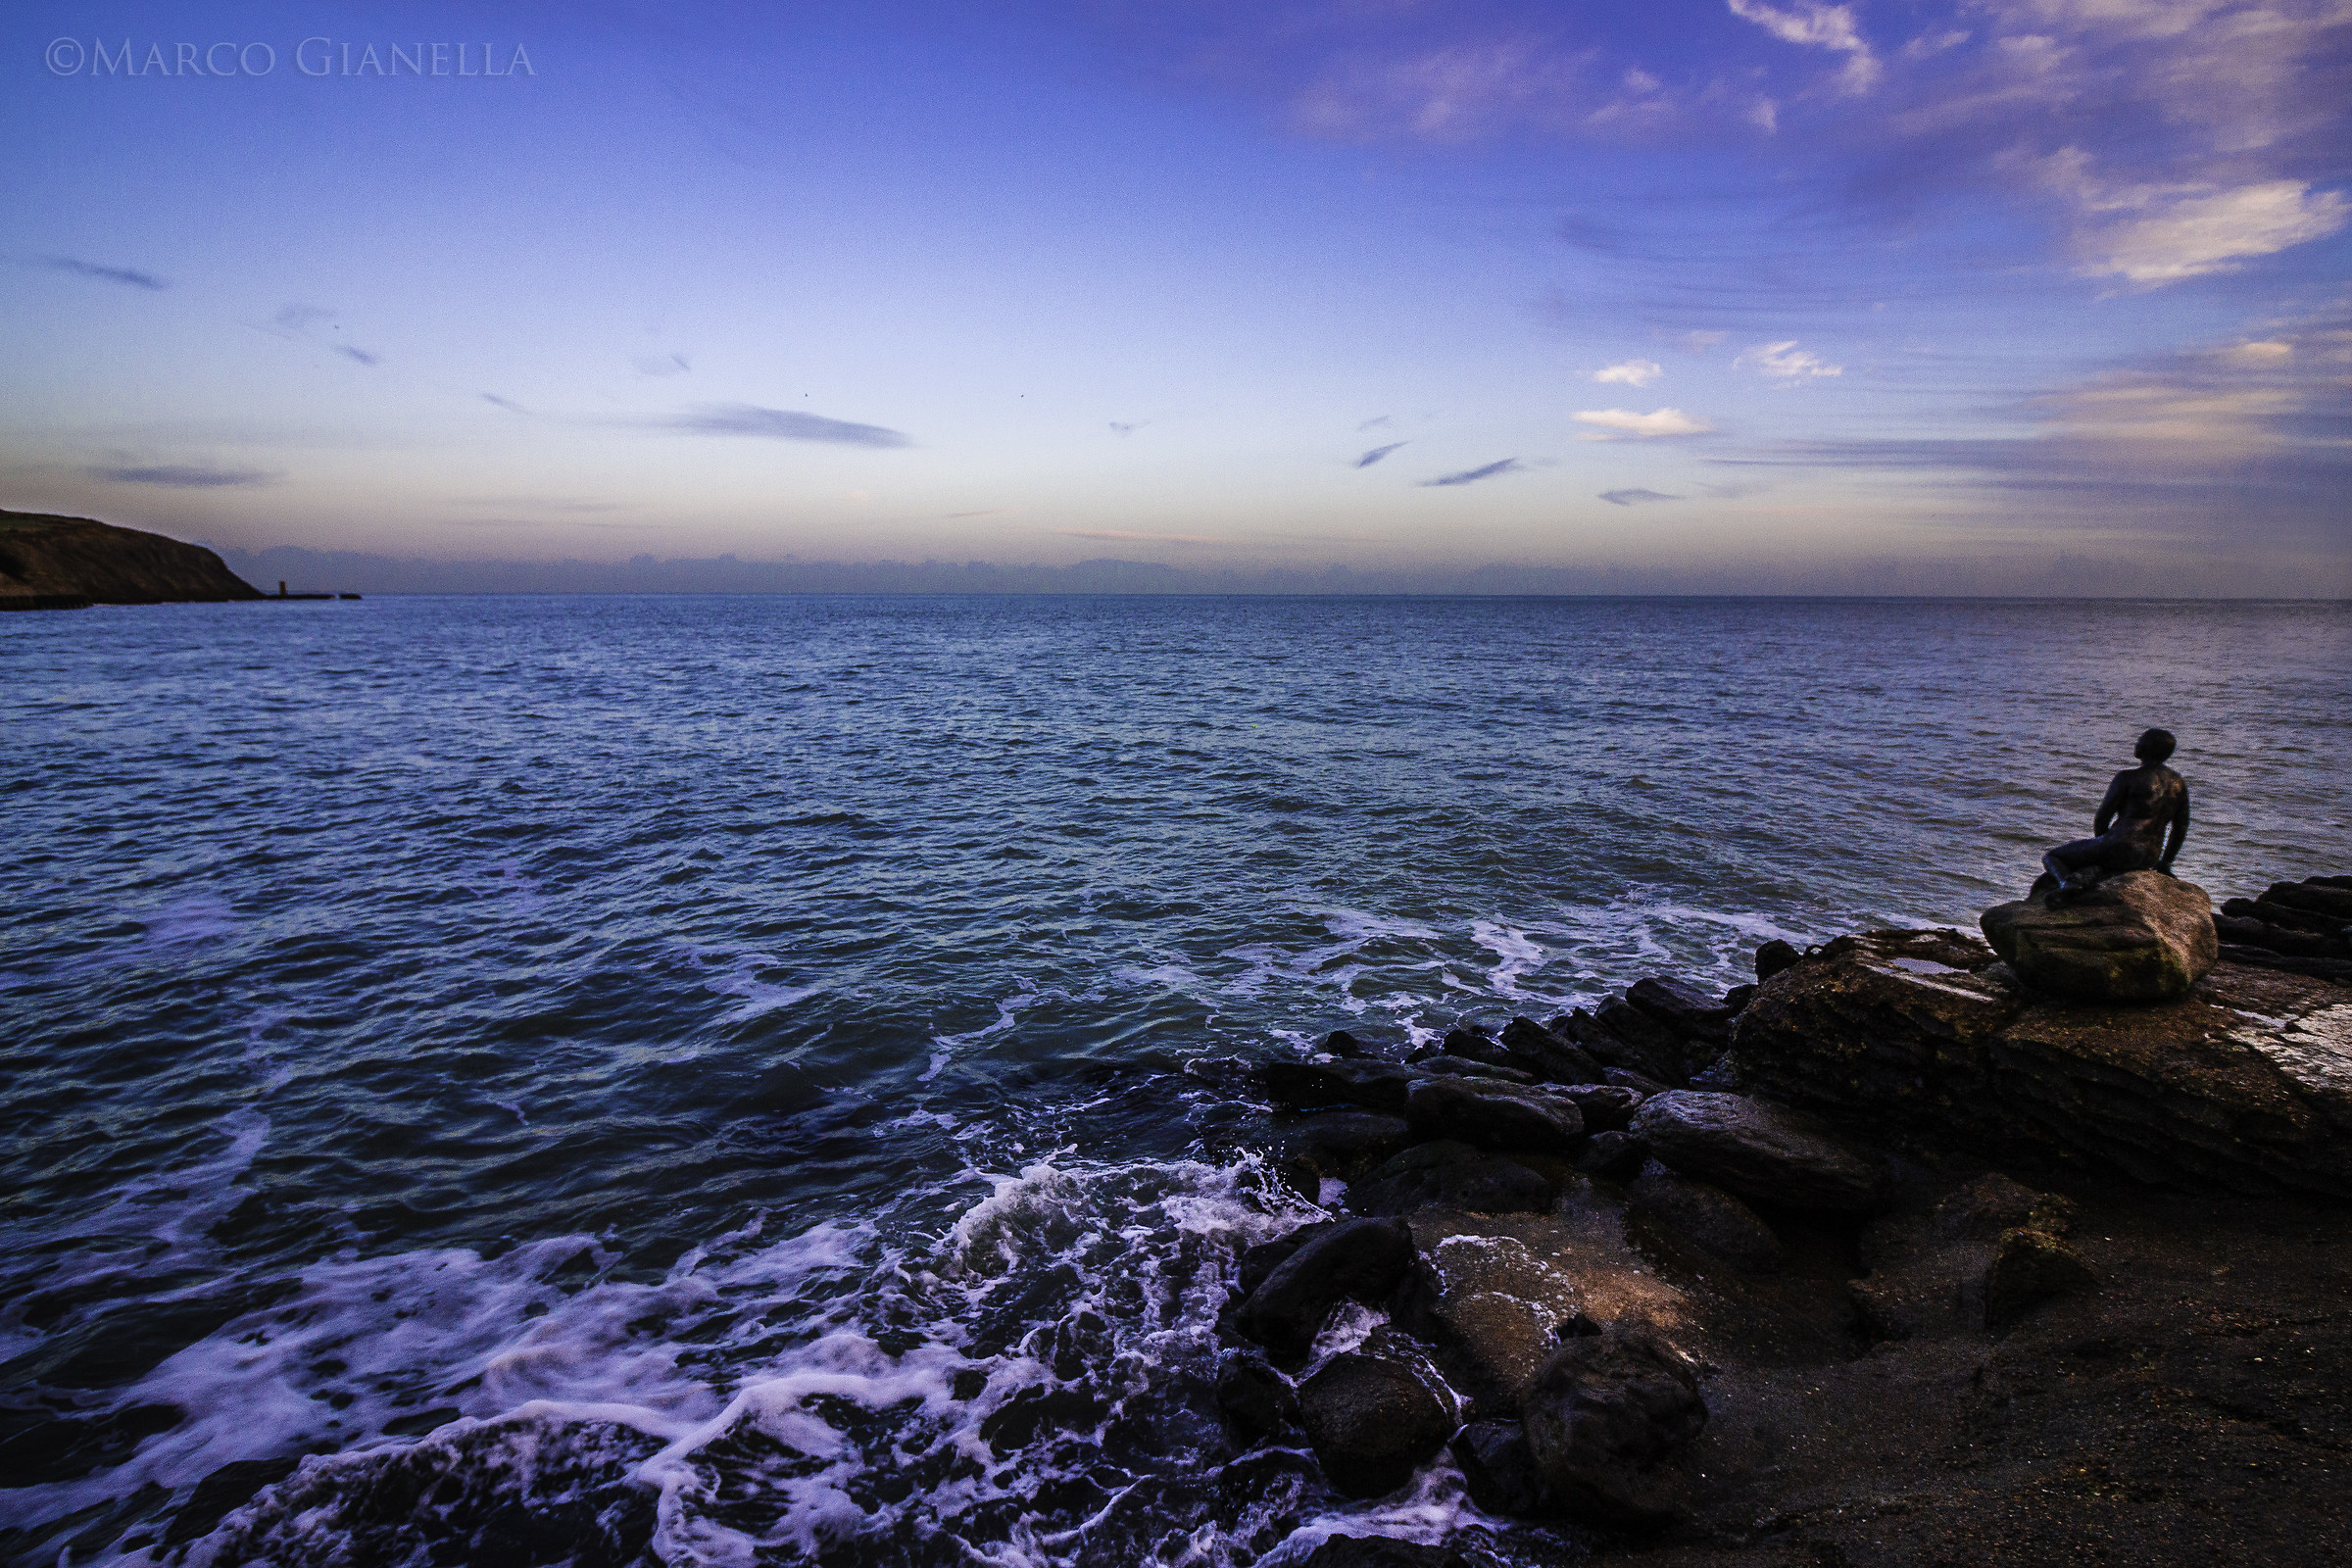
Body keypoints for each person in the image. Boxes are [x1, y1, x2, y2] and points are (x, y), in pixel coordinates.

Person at [2042, 728, 2191, 904]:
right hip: (2149, 855)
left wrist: (2102, 843)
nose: (2136, 744)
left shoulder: (2127, 777)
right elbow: (2180, 827)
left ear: (2146, 748)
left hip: (2120, 846)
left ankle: (2068, 884)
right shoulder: (2178, 784)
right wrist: (2165, 862)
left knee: (2052, 856)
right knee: (2097, 859)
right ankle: (2094, 871)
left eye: (2140, 740)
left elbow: (2102, 817)